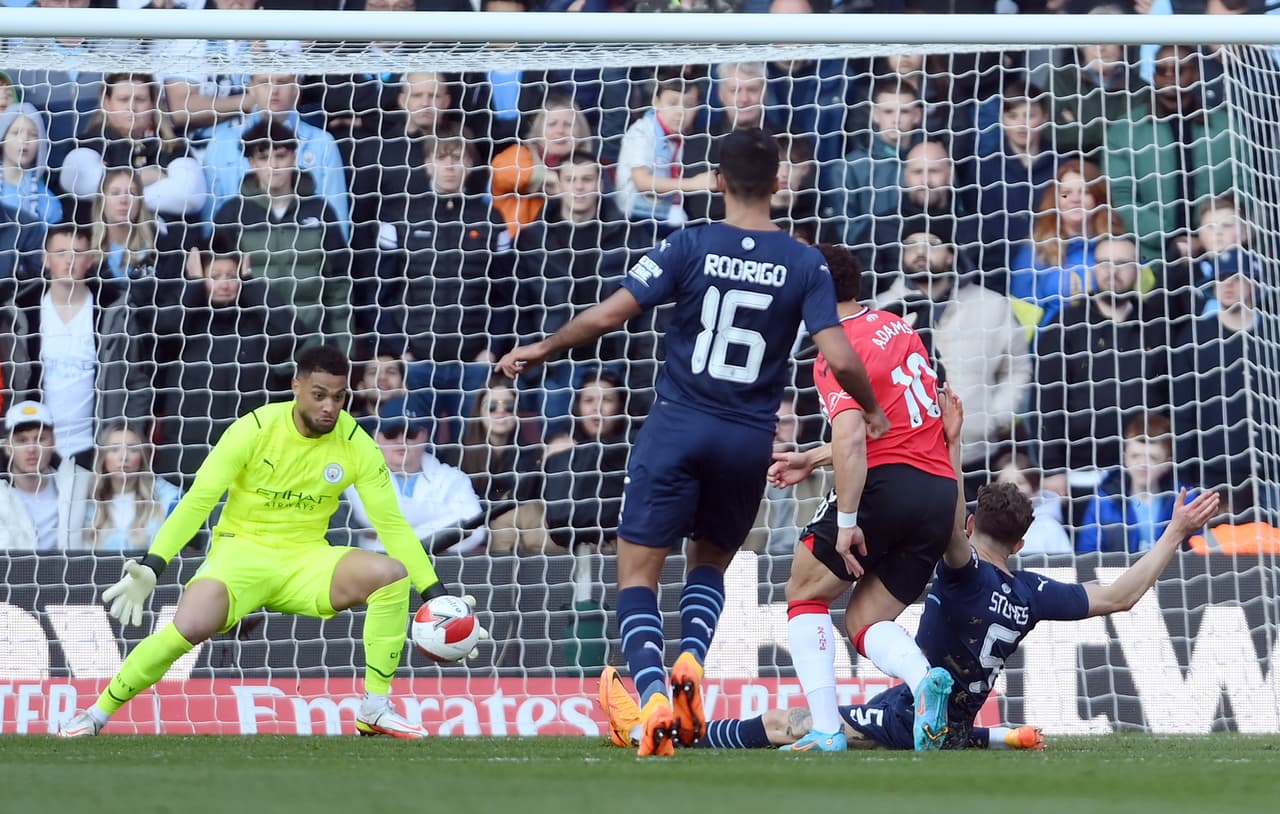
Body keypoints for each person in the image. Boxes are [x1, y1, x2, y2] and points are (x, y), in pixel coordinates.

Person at [497, 128, 889, 757]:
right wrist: (870, 409)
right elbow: (839, 353)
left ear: (719, 180)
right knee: (708, 564)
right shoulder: (805, 262)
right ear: (778, 182)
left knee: (637, 573)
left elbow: (608, 315)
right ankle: (691, 665)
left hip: (678, 423)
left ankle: (654, 695)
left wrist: (540, 348)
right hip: (746, 437)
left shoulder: (690, 244)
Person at [601, 392, 1221, 753]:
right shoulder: (1030, 593)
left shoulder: (964, 571)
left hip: (908, 716)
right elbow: (1119, 596)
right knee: (892, 714)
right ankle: (686, 727)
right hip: (954, 725)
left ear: (977, 520)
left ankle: (685, 736)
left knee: (796, 722)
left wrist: (947, 444)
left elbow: (947, 519)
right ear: (1026, 539)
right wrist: (1172, 533)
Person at [57, 345, 488, 739]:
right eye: (319, 394)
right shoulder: (254, 429)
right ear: (296, 386)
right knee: (186, 629)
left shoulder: (356, 442)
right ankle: (96, 713)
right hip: (240, 554)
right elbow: (197, 502)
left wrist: (437, 596)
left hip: (306, 560)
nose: (329, 407)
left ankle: (374, 708)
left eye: (338, 397)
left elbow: (392, 526)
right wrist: (153, 564)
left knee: (390, 575)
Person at [767, 243, 958, 753]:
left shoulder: (835, 352)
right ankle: (924, 684)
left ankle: (827, 731)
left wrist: (848, 518)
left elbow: (855, 438)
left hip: (885, 487)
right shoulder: (900, 327)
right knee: (866, 621)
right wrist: (812, 456)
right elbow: (890, 425)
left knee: (804, 592)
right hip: (938, 492)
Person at [212, 118, 352, 356]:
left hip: (314, 349)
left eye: (280, 156)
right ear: (252, 163)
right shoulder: (231, 215)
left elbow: (338, 287)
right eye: (264, 157)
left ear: (294, 158)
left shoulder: (319, 210)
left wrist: (344, 351)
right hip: (257, 353)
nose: (273, 165)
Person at [347, 397, 484, 555]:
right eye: (391, 433)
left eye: (410, 433)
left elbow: (476, 531)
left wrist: (394, 537)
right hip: (374, 566)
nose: (401, 441)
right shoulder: (357, 475)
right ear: (376, 437)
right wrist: (445, 517)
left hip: (441, 565)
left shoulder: (452, 477)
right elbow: (368, 518)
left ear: (424, 435)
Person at [614, 67, 717, 230]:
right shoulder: (642, 130)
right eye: (672, 103)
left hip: (667, 217)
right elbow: (642, 182)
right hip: (634, 220)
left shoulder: (689, 138)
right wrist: (693, 183)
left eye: (688, 105)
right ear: (656, 102)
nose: (680, 112)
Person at [0, 400, 93, 551]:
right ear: (8, 448)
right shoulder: (2, 495)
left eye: (40, 439)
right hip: (15, 573)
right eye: (22, 440)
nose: (32, 448)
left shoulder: (80, 483)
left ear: (53, 442)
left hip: (73, 572)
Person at [84, 421, 183, 552]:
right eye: (114, 449)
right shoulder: (87, 500)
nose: (124, 457)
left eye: (133, 449)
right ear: (103, 457)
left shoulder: (168, 498)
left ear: (142, 455)